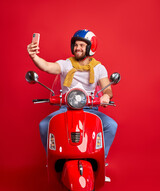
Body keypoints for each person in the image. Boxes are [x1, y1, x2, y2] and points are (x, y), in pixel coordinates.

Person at [27, 29, 118, 166]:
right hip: (66, 108)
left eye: (82, 45)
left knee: (111, 125)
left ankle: (100, 159)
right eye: (76, 45)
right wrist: (34, 56)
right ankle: (51, 159)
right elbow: (47, 66)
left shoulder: (99, 68)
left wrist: (106, 96)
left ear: (90, 48)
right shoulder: (66, 64)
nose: (77, 48)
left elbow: (108, 89)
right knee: (44, 125)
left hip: (90, 108)